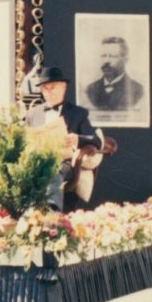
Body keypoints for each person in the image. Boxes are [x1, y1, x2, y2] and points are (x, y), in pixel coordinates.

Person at [24, 66, 104, 211]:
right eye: (44, 88)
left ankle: (52, 212)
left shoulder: (78, 113)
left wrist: (77, 138)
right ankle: (27, 216)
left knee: (54, 170)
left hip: (65, 163)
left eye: (52, 87)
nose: (49, 92)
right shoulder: (32, 114)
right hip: (37, 162)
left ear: (63, 87)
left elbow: (96, 140)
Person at [83, 36, 144, 112]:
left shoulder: (137, 90)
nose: (106, 61)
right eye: (103, 56)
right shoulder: (89, 90)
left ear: (125, 60)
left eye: (112, 56)